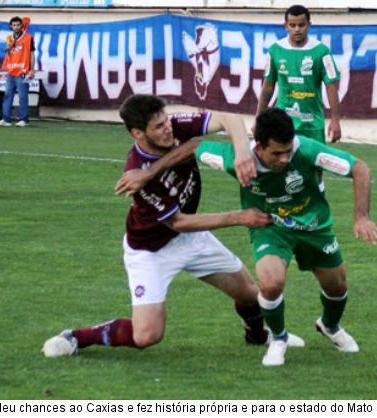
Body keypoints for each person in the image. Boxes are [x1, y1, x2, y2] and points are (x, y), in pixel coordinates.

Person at [42, 95, 304, 358]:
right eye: (158, 126)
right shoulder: (135, 173)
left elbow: (230, 118)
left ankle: (258, 336)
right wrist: (240, 217)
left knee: (250, 294)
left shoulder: (173, 127)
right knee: (147, 335)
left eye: (166, 120)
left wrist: (242, 153)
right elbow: (178, 222)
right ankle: (77, 337)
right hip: (152, 250)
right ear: (137, 133)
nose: (168, 128)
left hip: (190, 238)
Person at [116, 108, 377, 367]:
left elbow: (360, 168)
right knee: (270, 283)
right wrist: (149, 173)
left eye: (288, 151)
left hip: (315, 226)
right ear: (259, 147)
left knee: (337, 287)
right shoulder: (236, 160)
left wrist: (362, 217)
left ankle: (330, 326)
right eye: (276, 153)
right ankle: (278, 338)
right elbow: (195, 148)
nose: (284, 159)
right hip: (270, 226)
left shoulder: (307, 149)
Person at [256, 4, 342, 144]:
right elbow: (267, 87)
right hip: (282, 124)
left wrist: (335, 120)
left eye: (301, 25)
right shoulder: (275, 50)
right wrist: (258, 119)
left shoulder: (321, 51)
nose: (297, 29)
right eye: (293, 25)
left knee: (312, 165)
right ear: (286, 26)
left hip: (312, 125)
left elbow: (331, 87)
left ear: (309, 25)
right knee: (281, 163)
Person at [0, 16, 35, 128]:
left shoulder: (28, 38)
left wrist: (31, 69)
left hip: (22, 70)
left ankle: (23, 119)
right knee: (8, 95)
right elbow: (9, 53)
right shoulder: (9, 38)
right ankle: (6, 119)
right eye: (14, 25)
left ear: (22, 25)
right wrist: (8, 48)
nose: (16, 27)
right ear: (11, 26)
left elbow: (31, 54)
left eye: (18, 25)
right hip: (11, 70)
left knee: (22, 96)